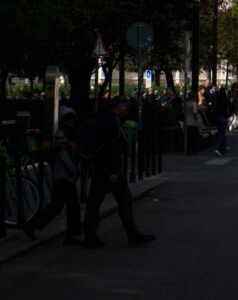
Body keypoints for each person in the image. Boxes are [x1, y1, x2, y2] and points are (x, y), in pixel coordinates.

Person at [82, 96, 156, 248]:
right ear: (117, 107)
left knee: (95, 201)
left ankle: (90, 235)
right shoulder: (111, 121)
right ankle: (132, 234)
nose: (127, 111)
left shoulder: (103, 118)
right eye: (125, 107)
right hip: (108, 168)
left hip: (99, 167)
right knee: (123, 200)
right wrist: (113, 171)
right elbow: (111, 149)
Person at [24, 107, 81, 245]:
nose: (70, 122)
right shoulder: (62, 135)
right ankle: (70, 235)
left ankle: (33, 225)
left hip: (66, 176)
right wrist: (74, 170)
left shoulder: (69, 134)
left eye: (72, 119)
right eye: (67, 119)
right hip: (64, 176)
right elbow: (63, 157)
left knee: (58, 206)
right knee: (68, 206)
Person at [213, 87, 230, 156]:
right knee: (222, 134)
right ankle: (218, 149)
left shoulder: (217, 99)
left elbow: (214, 109)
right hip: (223, 117)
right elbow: (229, 109)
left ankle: (223, 149)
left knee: (220, 133)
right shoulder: (226, 100)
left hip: (217, 117)